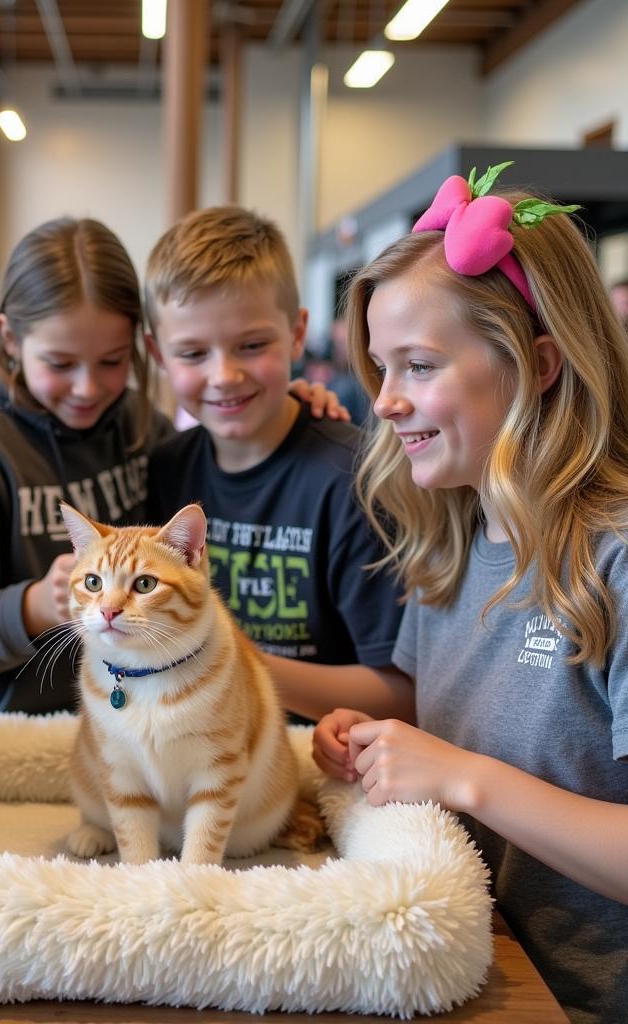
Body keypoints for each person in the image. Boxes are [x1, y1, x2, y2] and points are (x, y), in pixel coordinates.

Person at [312, 164, 628, 1023]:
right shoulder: (454, 533)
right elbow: (421, 691)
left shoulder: (616, 559)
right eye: (380, 367)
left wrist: (459, 776)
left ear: (540, 364)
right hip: (469, 972)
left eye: (419, 365)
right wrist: (371, 733)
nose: (383, 401)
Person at [0, 216, 344, 715]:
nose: (88, 387)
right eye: (61, 364)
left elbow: (199, 480)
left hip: (108, 713)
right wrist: (31, 607)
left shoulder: (135, 423)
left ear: (139, 349)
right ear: (9, 340)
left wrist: (288, 405)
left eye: (111, 362)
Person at [144, 206, 410, 724]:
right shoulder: (161, 470)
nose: (224, 375)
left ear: (295, 334)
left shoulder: (354, 479)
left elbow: (402, 694)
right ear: (157, 354)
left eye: (252, 345)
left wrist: (231, 662)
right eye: (193, 353)